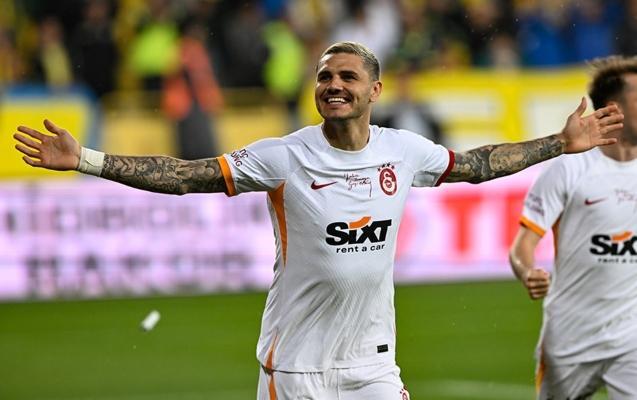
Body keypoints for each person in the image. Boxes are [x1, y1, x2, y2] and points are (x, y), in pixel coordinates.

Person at [13, 42, 623, 400]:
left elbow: (477, 165)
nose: (333, 85)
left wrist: (559, 143)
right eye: (325, 76)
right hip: (297, 367)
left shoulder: (402, 151)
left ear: (374, 90)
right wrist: (86, 159)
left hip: (372, 364)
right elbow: (184, 175)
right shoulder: (284, 156)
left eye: (347, 77)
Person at [509, 55, 637, 399]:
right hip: (571, 336)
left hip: (631, 337)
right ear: (612, 109)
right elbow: (523, 244)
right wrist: (528, 271)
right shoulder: (568, 170)